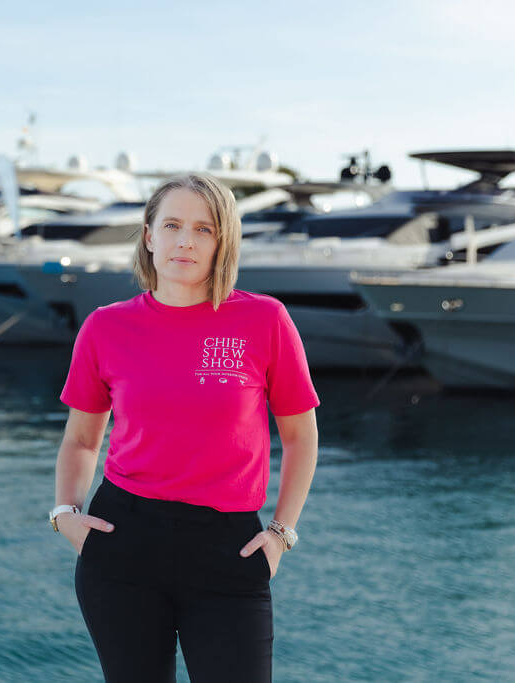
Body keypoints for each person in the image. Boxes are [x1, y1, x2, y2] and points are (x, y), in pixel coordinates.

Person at [50, 174, 319, 682]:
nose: (186, 241)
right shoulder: (105, 327)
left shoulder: (265, 320)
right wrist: (65, 512)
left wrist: (282, 532)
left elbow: (301, 436)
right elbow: (82, 438)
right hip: (122, 542)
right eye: (172, 225)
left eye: (204, 229)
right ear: (149, 235)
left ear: (224, 242)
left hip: (228, 547)